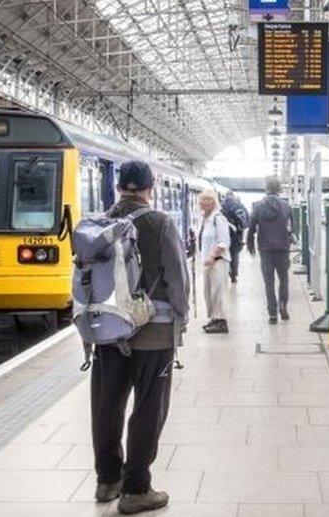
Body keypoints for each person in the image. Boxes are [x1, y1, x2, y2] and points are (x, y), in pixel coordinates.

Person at [91, 161, 189, 514]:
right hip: (154, 334)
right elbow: (177, 277)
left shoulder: (100, 222)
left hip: (106, 332)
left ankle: (107, 481)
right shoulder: (159, 222)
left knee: (107, 406)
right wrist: (183, 315)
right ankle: (136, 488)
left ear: (119, 187)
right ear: (151, 187)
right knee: (149, 407)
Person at [247, 176, 292, 324]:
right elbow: (292, 228)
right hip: (283, 249)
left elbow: (251, 228)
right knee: (284, 279)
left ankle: (272, 314)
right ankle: (283, 305)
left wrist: (250, 246)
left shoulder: (258, 206)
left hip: (265, 249)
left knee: (269, 282)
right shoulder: (286, 206)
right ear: (279, 189)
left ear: (266, 189)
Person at [199, 189, 231, 333]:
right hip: (208, 262)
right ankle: (213, 318)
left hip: (218, 261)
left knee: (218, 292)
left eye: (209, 199)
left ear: (214, 201)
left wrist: (212, 255)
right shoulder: (205, 220)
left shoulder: (219, 219)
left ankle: (221, 321)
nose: (205, 202)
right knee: (209, 292)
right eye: (203, 199)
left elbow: (224, 242)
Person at [221, 191, 249, 284]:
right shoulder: (239, 206)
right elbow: (245, 222)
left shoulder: (220, 206)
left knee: (223, 254)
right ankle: (234, 275)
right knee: (234, 254)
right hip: (235, 235)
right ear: (233, 196)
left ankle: (224, 273)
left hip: (222, 234)